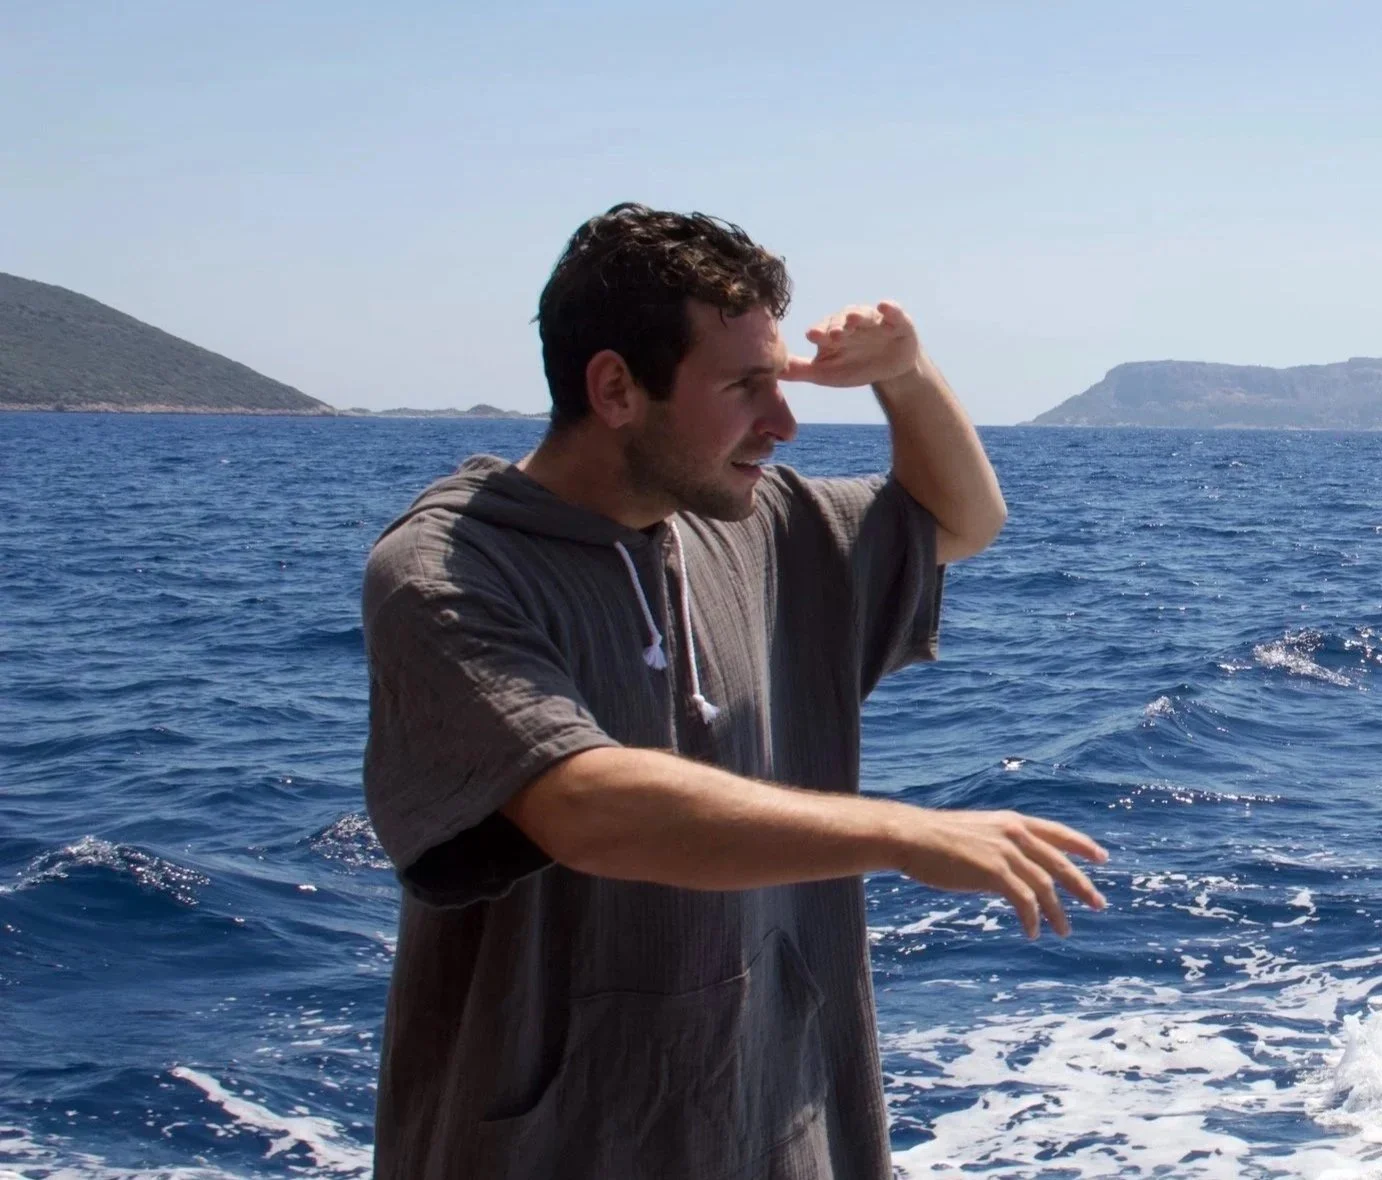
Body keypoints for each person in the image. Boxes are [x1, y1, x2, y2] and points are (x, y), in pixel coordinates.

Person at [359, 202, 1108, 1179]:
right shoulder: (446, 571)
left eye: (778, 380)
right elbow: (582, 804)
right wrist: (903, 833)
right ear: (616, 389)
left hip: (776, 1124)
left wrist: (906, 375)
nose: (784, 423)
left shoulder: (758, 524)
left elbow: (961, 521)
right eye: (745, 386)